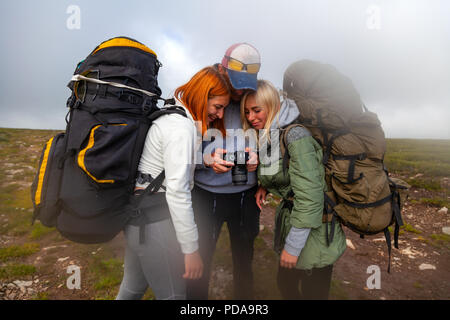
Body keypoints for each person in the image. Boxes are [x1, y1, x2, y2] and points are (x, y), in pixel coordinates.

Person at [116, 66, 231, 300]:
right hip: (156, 223)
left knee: (132, 289)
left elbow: (167, 161)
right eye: (217, 107)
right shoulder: (182, 128)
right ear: (202, 96)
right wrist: (191, 250)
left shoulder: (171, 114)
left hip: (138, 218)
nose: (219, 115)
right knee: (174, 296)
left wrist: (205, 160)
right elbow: (177, 192)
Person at [241, 80, 347, 300]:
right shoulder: (274, 133)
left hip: (315, 233)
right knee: (286, 286)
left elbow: (310, 197)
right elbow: (288, 172)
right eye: (247, 112)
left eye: (256, 110)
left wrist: (292, 247)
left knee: (311, 293)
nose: (251, 117)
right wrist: (265, 186)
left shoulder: (296, 136)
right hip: (297, 223)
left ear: (272, 105)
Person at [186, 43, 261, 300]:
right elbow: (177, 154)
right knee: (200, 260)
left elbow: (273, 139)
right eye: (236, 82)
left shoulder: (254, 98)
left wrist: (261, 159)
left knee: (244, 259)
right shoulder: (203, 100)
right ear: (222, 69)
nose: (241, 90)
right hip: (206, 196)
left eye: (247, 83)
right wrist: (205, 159)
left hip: (246, 196)